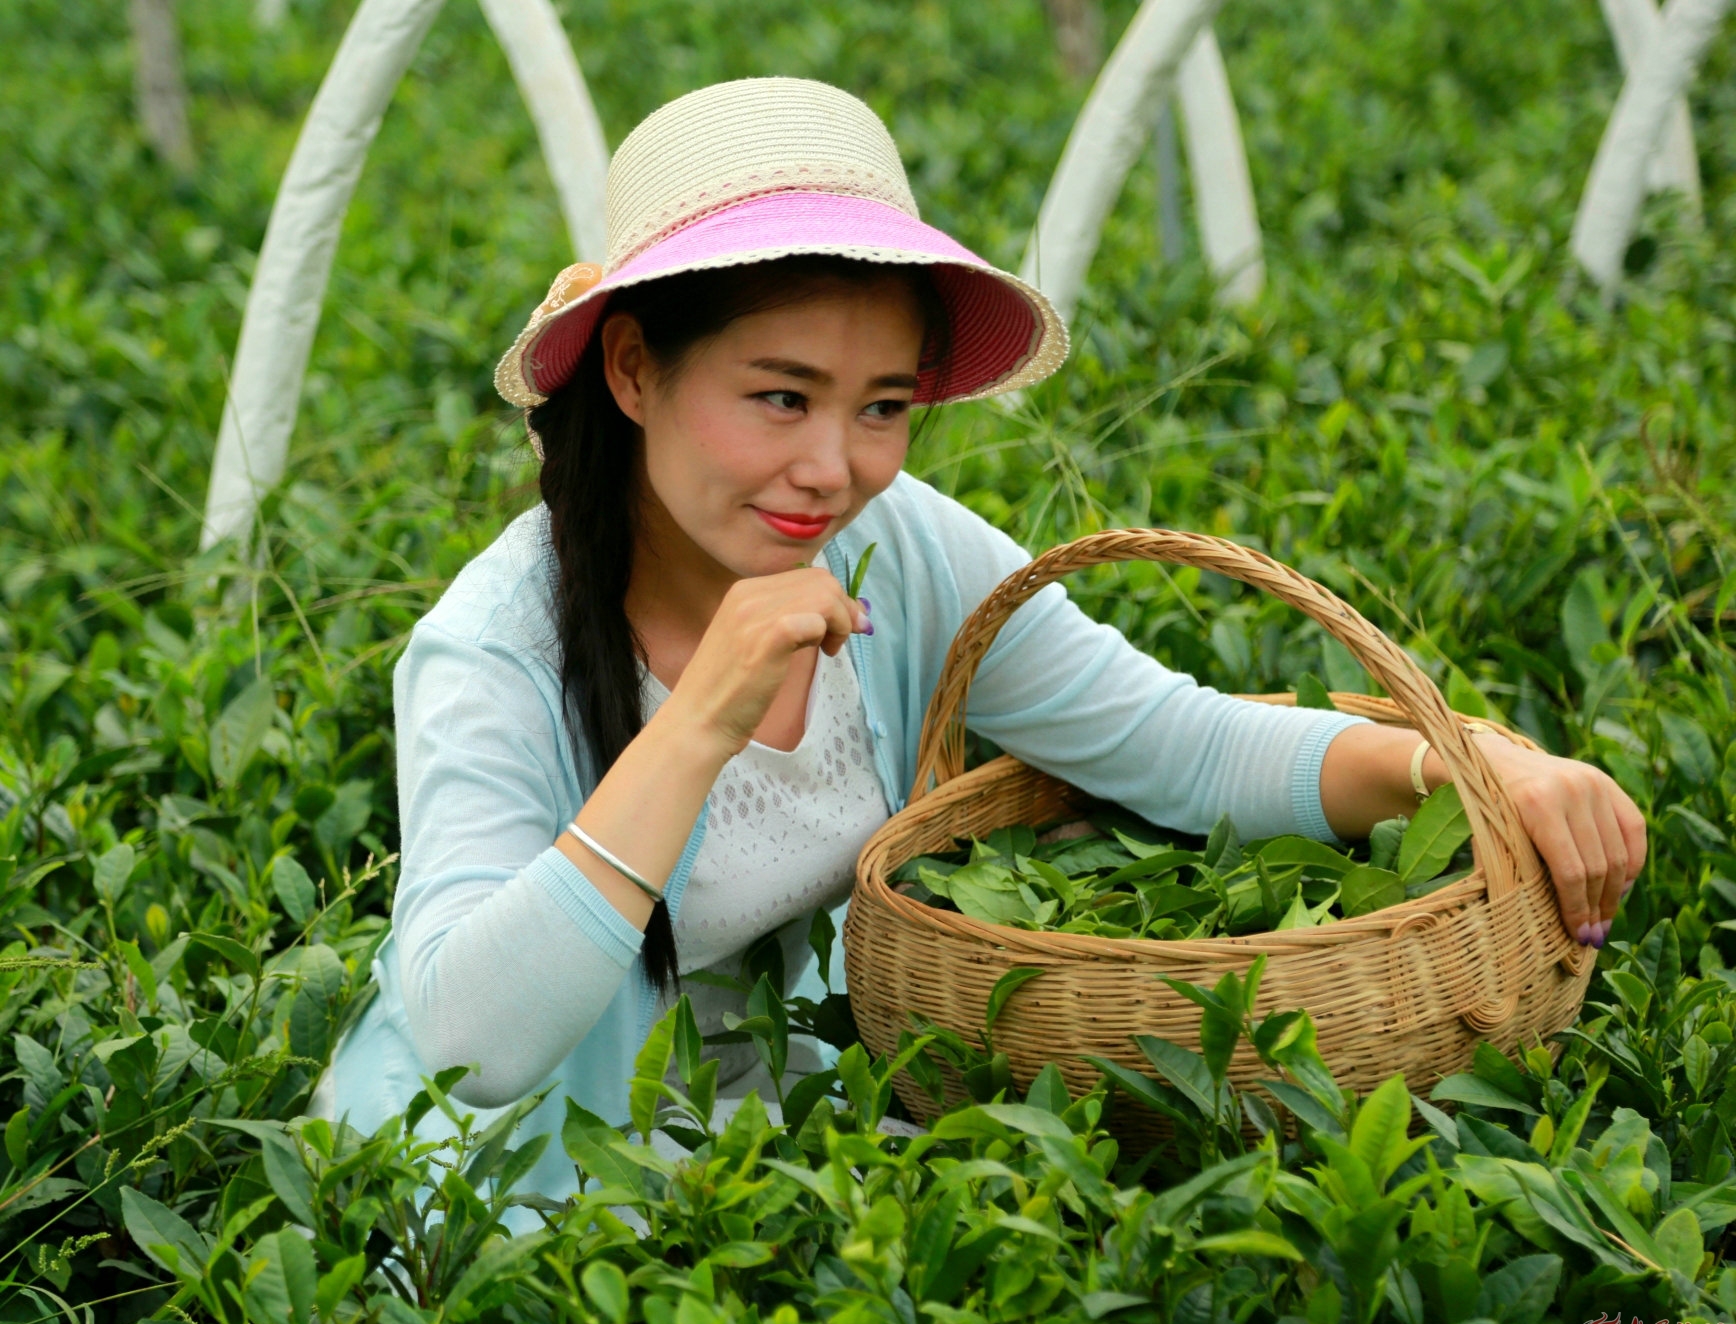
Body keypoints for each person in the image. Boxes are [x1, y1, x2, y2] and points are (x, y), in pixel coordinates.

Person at [316, 77, 1646, 1208]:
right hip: (537, 1189)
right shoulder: (492, 649)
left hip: (817, 1139)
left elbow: (1181, 744)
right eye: (780, 396)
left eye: (882, 406)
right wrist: (699, 720)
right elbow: (464, 1047)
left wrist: (1463, 762)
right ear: (632, 370)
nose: (832, 469)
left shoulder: (913, 557)